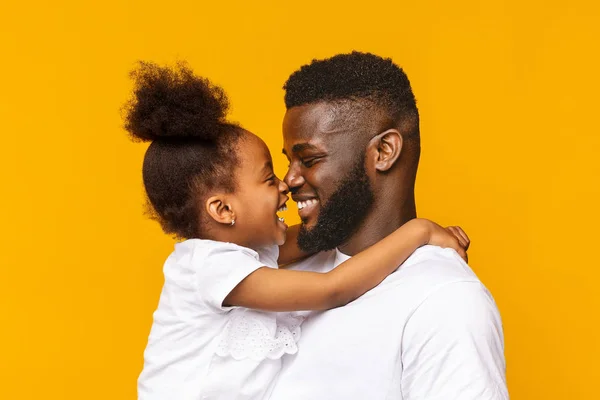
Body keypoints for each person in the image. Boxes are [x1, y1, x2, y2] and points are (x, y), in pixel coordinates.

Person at [123, 62, 469, 400]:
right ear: (224, 210)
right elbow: (332, 289)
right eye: (268, 178)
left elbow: (306, 239)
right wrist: (419, 232)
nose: (285, 184)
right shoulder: (209, 266)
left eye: (308, 160)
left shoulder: (245, 252)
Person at [268, 52, 508, 399]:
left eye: (308, 159)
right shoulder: (279, 268)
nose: (289, 179)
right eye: (288, 160)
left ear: (384, 151)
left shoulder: (443, 301)